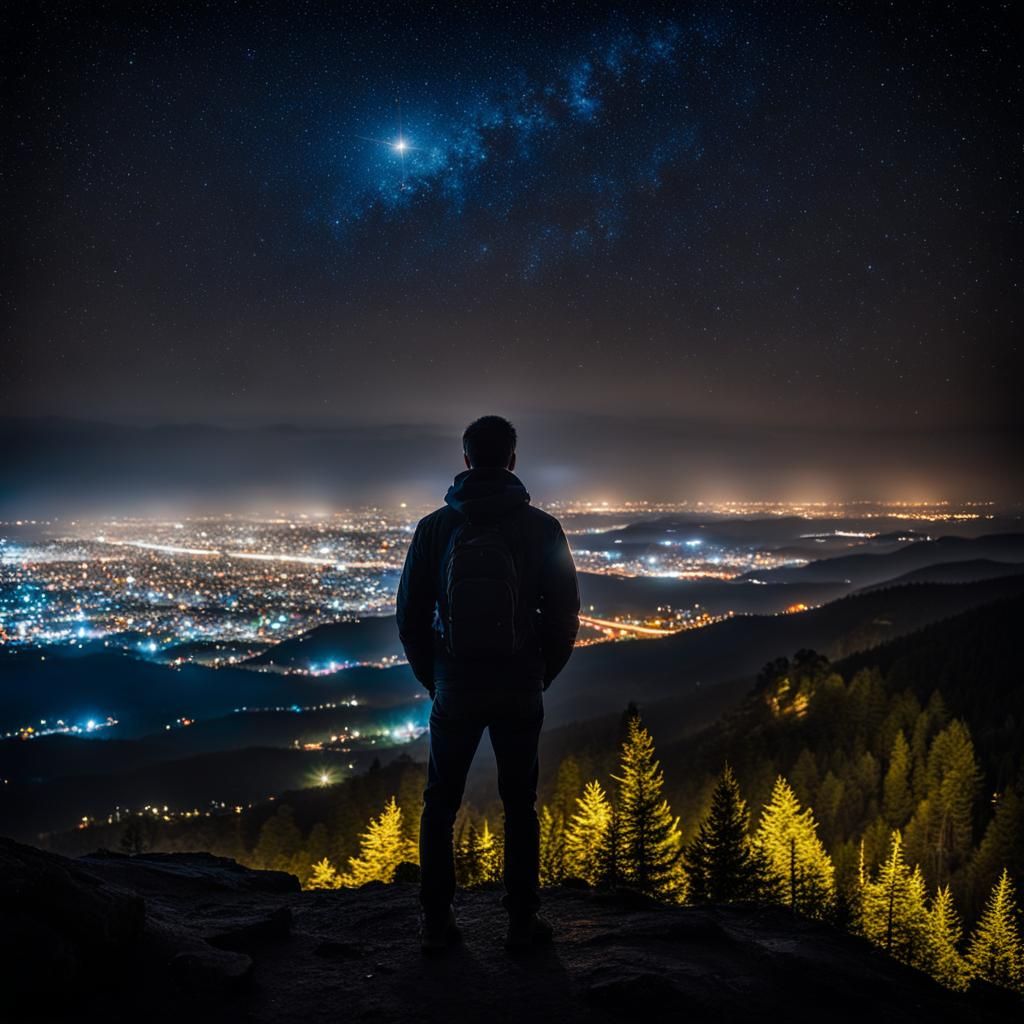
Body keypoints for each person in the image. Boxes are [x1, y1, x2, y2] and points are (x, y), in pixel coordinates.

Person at [396, 415, 580, 953]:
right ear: (513, 460)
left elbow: (410, 617)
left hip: (455, 682)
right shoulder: (542, 528)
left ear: (467, 458)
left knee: (440, 801)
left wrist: (436, 677)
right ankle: (522, 921)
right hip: (520, 682)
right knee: (519, 802)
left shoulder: (434, 528)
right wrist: (541, 672)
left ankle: (436, 920)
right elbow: (565, 613)